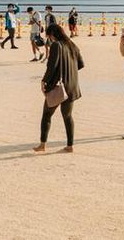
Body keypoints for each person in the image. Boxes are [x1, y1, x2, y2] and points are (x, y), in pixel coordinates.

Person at [33, 24, 84, 153]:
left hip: (58, 87)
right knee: (68, 116)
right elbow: (80, 64)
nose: (49, 39)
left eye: (49, 36)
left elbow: (51, 66)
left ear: (53, 35)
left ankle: (42, 145)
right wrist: (68, 71)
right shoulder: (72, 44)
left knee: (47, 115)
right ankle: (70, 145)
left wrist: (44, 81)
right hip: (72, 86)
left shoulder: (56, 45)